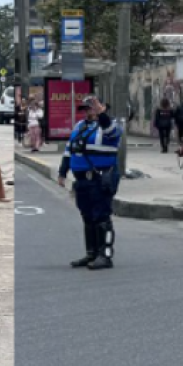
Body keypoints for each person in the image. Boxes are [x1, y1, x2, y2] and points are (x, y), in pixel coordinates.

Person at [57, 97, 121, 270]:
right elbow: (69, 150)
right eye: (86, 108)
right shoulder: (80, 126)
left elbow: (111, 133)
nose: (88, 111)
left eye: (92, 107)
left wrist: (102, 113)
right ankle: (91, 253)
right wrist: (62, 172)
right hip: (82, 181)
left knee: (102, 218)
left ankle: (105, 256)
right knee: (87, 217)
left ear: (102, 107)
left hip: (100, 179)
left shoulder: (110, 125)